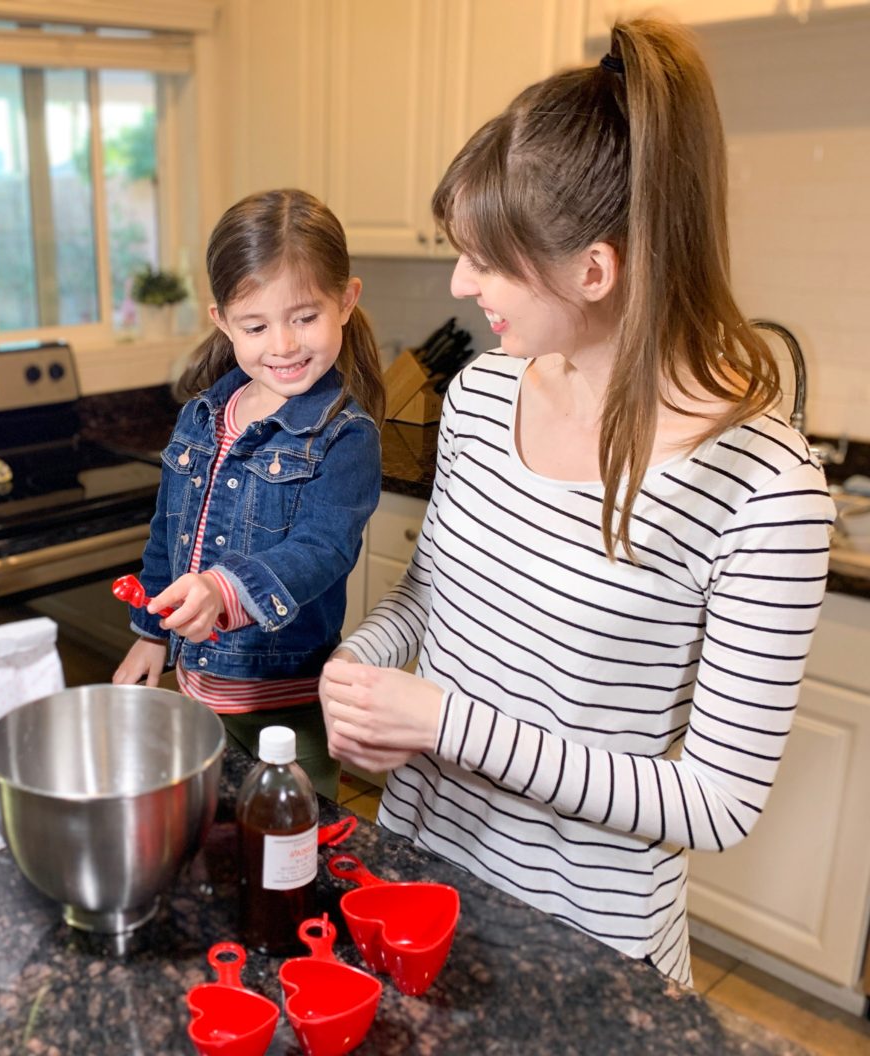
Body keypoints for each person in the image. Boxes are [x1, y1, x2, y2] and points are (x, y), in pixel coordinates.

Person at [320, 18, 835, 983]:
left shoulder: (765, 493)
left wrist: (442, 725)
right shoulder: (479, 396)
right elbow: (434, 597)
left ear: (592, 270)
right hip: (416, 886)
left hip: (584, 947)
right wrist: (361, 660)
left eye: (486, 258)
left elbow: (714, 802)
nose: (459, 282)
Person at [113, 188, 385, 800]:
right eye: (256, 326)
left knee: (296, 853)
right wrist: (151, 631)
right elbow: (166, 536)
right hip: (195, 692)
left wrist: (224, 589)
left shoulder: (346, 436)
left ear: (346, 302)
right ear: (221, 321)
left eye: (305, 317)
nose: (284, 345)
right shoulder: (202, 416)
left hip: (285, 705)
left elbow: (322, 549)